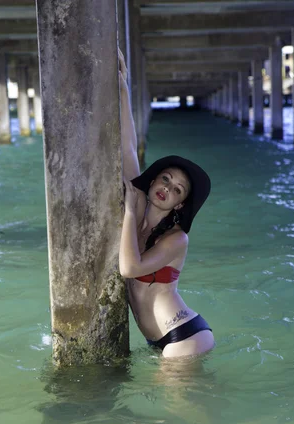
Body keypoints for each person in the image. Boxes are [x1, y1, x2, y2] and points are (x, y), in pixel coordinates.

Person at [118, 49, 215, 359]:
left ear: (179, 204)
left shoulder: (176, 239)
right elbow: (128, 148)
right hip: (160, 340)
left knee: (177, 409)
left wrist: (130, 213)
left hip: (184, 336)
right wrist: (122, 84)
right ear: (154, 180)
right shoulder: (141, 200)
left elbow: (130, 267)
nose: (167, 188)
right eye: (165, 179)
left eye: (177, 189)